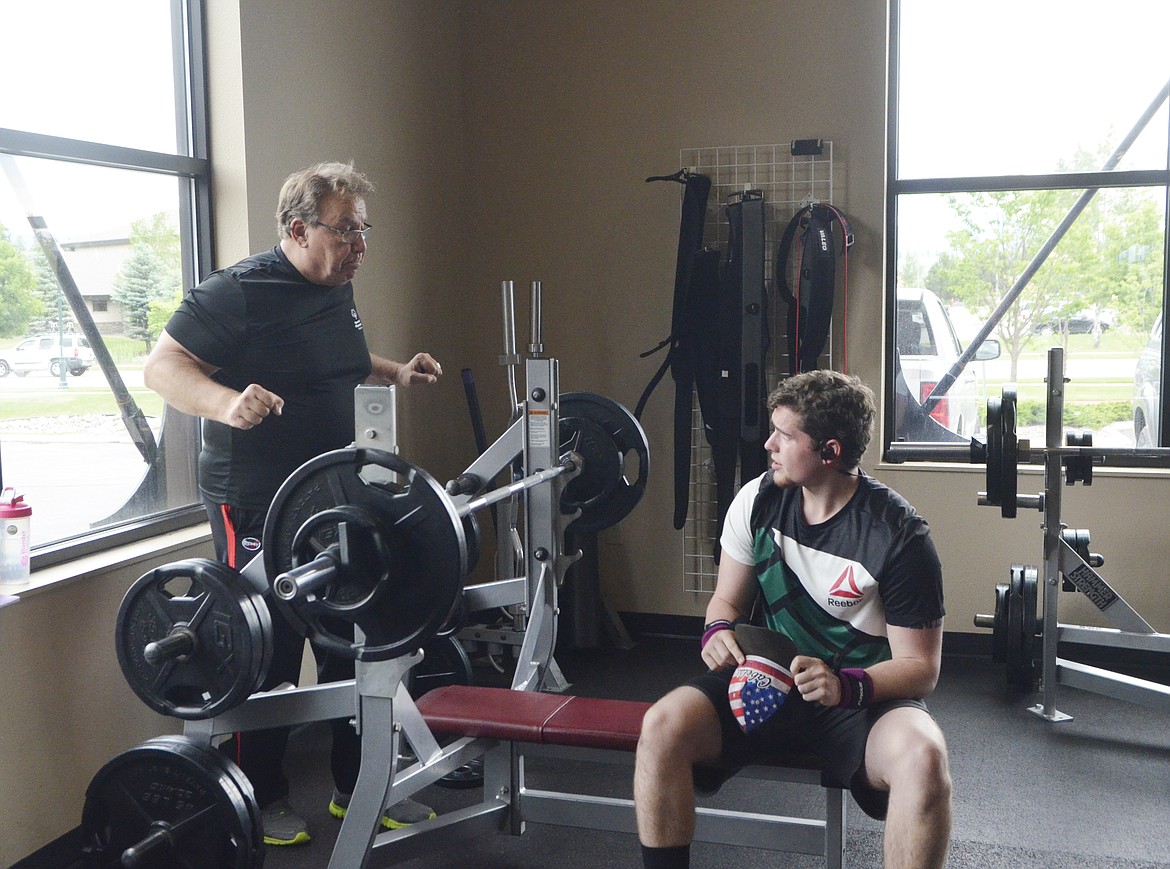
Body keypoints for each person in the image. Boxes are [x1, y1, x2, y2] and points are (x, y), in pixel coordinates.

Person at [144, 161, 443, 847]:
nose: (359, 248)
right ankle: (260, 797)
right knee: (268, 648)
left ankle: (356, 786)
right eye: (346, 233)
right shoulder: (237, 292)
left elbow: (337, 361)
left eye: (365, 232)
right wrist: (226, 401)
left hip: (333, 497)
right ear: (299, 228)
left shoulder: (337, 285)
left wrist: (395, 370)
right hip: (255, 503)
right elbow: (162, 366)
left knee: (351, 640)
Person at [633, 369, 952, 869]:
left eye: (784, 435)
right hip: (768, 683)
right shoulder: (758, 500)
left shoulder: (899, 537)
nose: (768, 444)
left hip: (860, 699)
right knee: (662, 725)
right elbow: (725, 604)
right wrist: (716, 631)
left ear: (828, 452)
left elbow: (920, 668)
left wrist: (845, 685)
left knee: (924, 758)